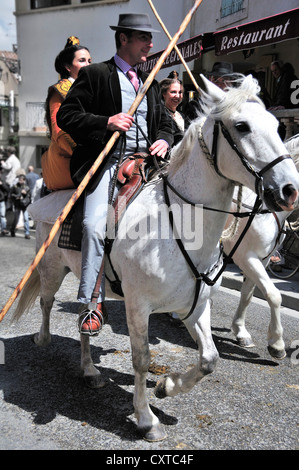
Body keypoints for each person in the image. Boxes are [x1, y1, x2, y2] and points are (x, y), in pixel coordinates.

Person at [57, 13, 174, 336]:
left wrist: (164, 138)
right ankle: (92, 302)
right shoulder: (96, 74)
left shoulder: (148, 81)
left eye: (150, 39)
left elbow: (164, 122)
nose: (150, 44)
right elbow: (67, 116)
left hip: (148, 165)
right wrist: (105, 122)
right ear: (123, 39)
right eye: (143, 38)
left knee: (185, 216)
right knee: (95, 225)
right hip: (108, 162)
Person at [41, 36, 92, 191]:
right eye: (82, 60)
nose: (88, 65)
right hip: (69, 161)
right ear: (68, 66)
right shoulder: (60, 91)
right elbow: (59, 131)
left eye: (90, 61)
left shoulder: (92, 89)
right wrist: (84, 156)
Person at [159, 75, 185, 146]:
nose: (177, 96)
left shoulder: (182, 116)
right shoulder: (160, 115)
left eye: (180, 92)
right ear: (164, 94)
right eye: (173, 92)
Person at [10, 168, 31, 239]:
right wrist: (17, 196)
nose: (20, 181)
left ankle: (27, 233)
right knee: (16, 219)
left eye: (21, 180)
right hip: (17, 205)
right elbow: (11, 195)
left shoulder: (26, 187)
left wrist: (25, 193)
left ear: (24, 180)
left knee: (26, 219)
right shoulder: (15, 186)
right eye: (19, 179)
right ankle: (12, 230)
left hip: (25, 205)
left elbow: (29, 195)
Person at [0, 169, 10, 236]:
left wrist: (1, 184)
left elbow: (7, 189)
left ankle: (3, 229)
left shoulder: (2, 181)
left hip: (1, 201)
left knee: (2, 215)